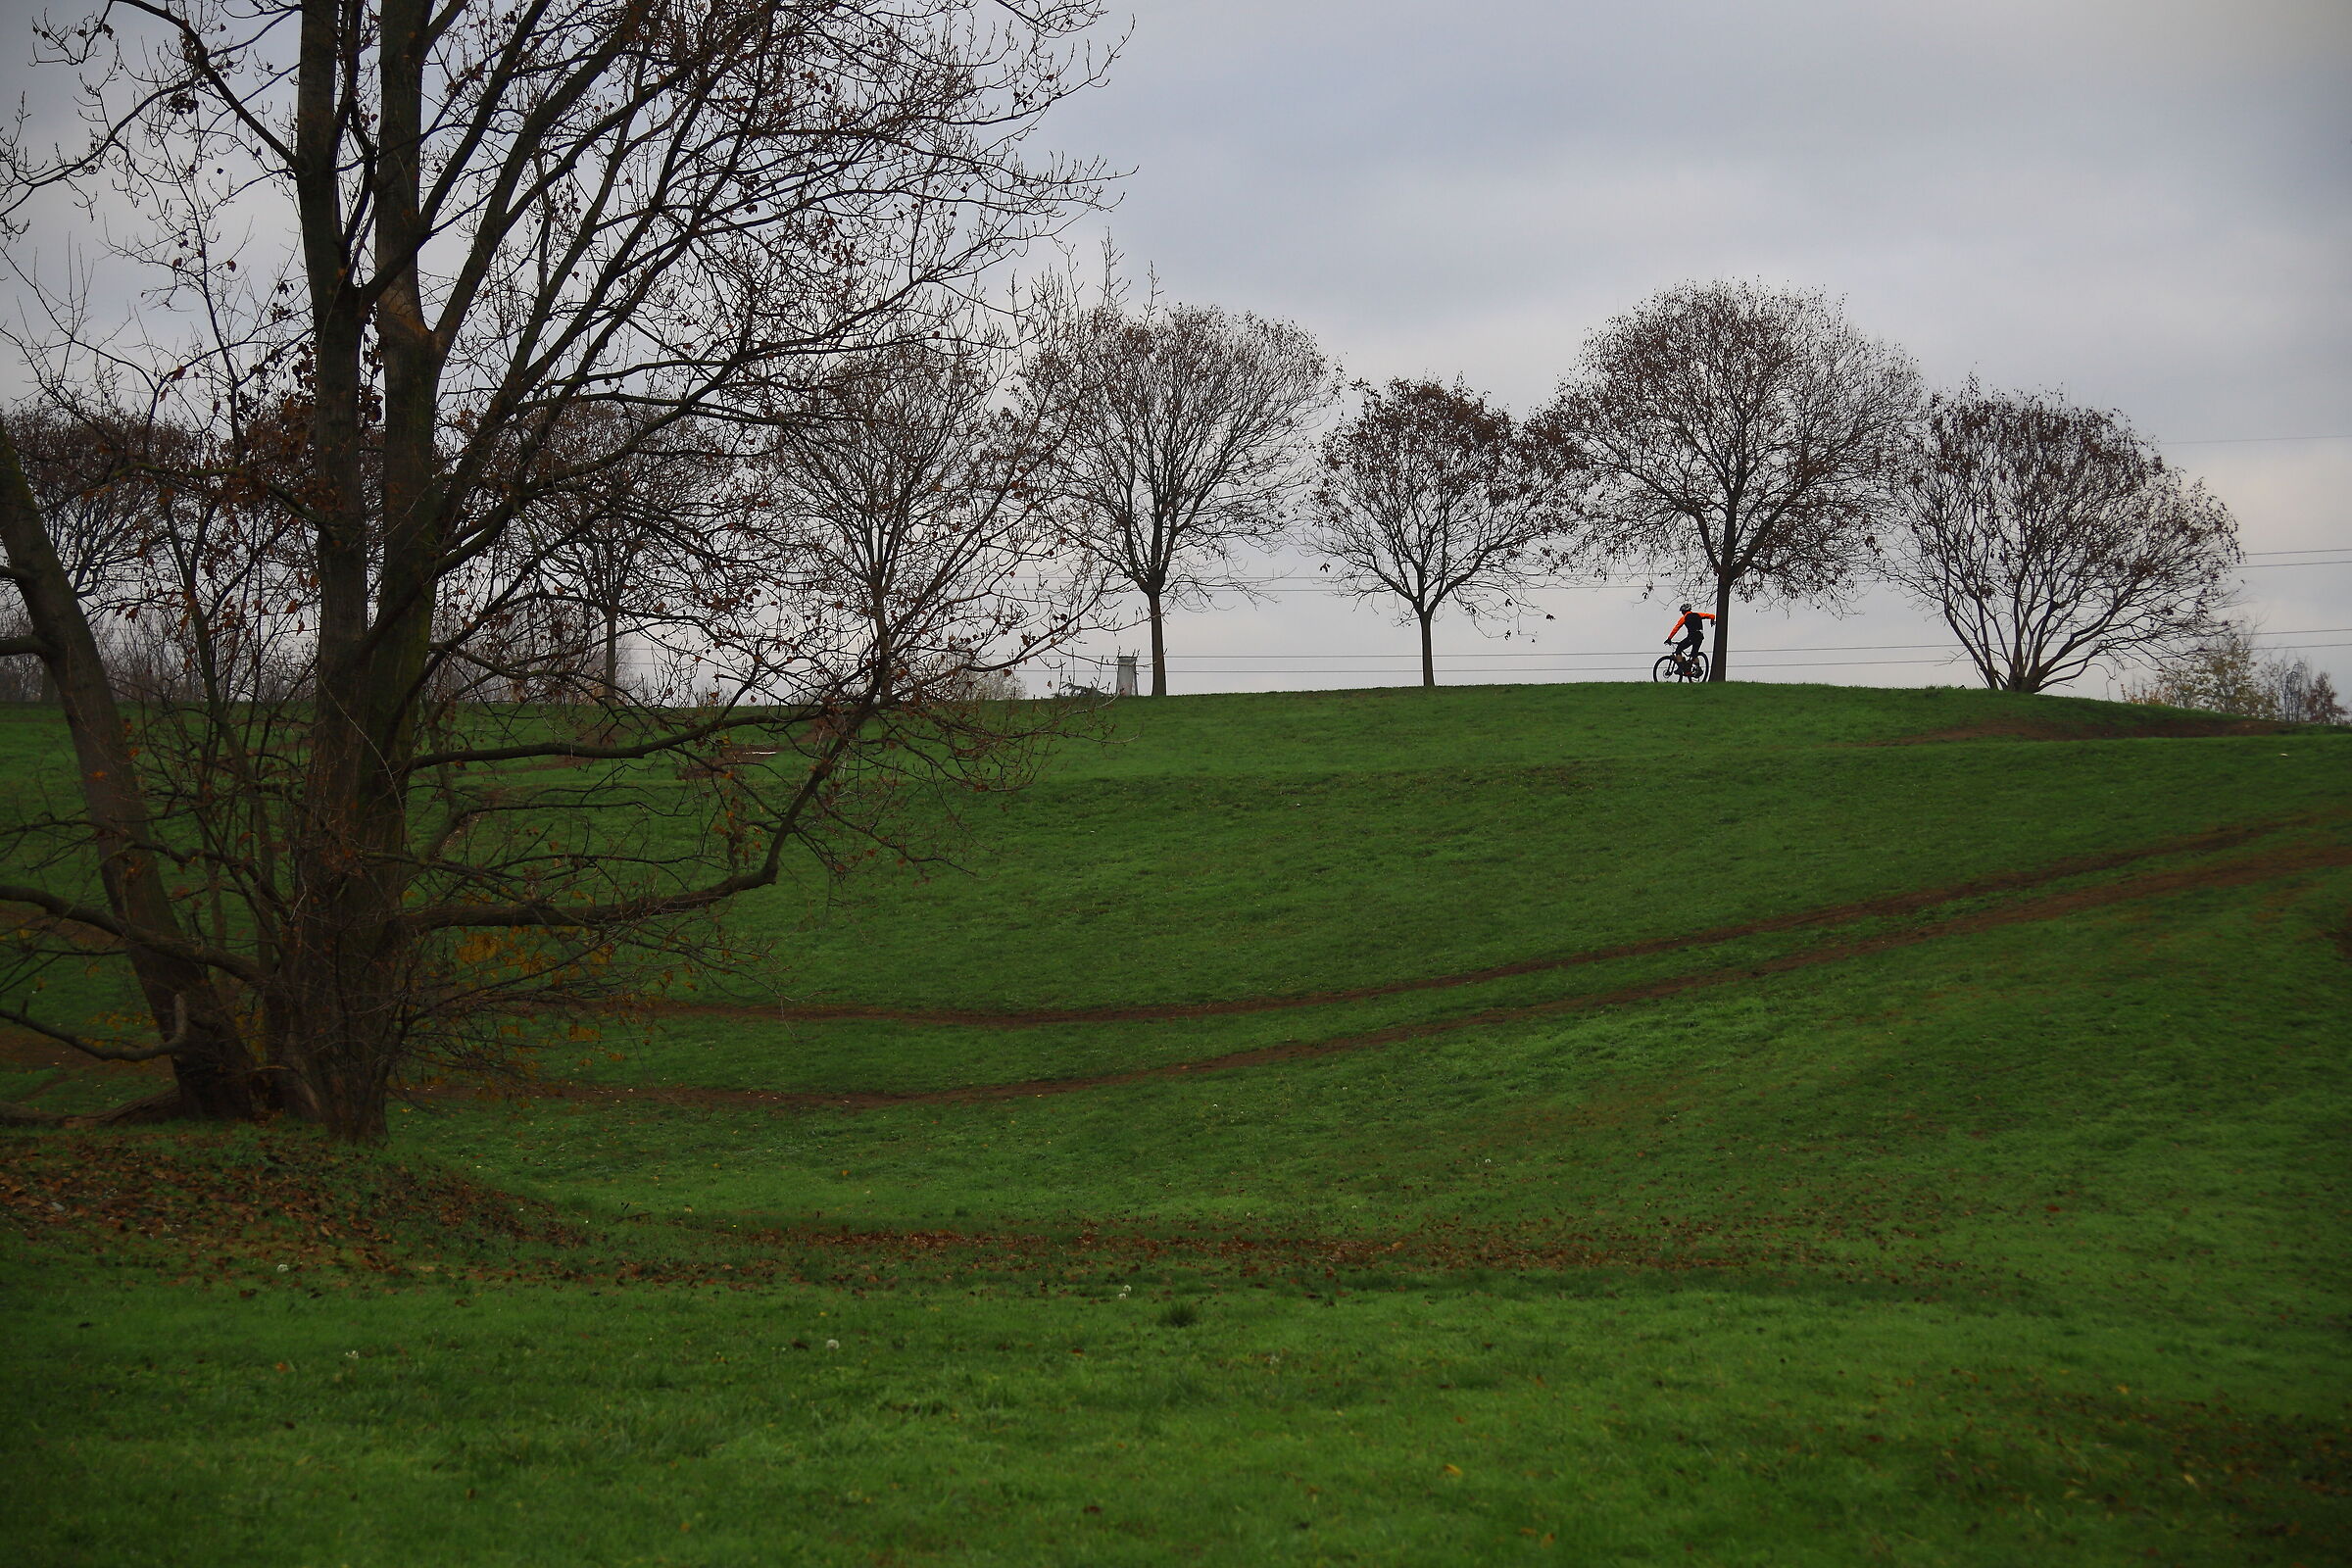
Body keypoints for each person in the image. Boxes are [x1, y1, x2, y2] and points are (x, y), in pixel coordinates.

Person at [1665, 604, 1713, 673]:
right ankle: (1697, 669)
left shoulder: (1684, 618)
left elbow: (1676, 628)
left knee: (1678, 649)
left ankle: (1680, 668)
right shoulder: (1698, 614)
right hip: (1700, 637)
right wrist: (1712, 621)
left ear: (1683, 611)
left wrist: (1669, 638)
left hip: (1692, 637)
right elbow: (1712, 616)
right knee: (1694, 654)